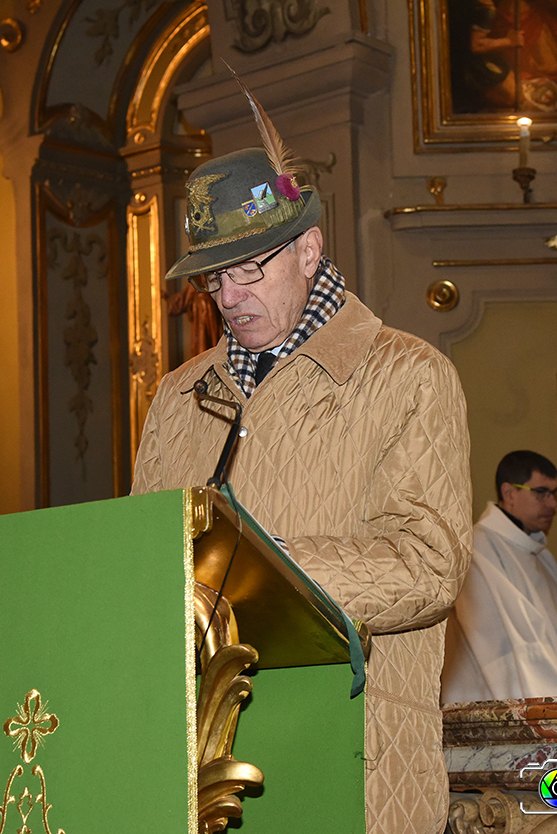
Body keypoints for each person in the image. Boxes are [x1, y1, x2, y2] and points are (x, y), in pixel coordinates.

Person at [131, 92, 473, 834]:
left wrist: (267, 573)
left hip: (356, 761)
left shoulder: (407, 375)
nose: (229, 297)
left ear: (309, 250)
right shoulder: (178, 396)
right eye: (214, 280)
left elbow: (429, 565)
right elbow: (144, 568)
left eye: (249, 270)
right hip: (205, 766)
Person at [441, 450, 557, 702]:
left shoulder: (541, 557)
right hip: (498, 708)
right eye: (541, 493)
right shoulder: (478, 549)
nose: (552, 504)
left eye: (555, 494)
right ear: (509, 493)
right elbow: (512, 645)